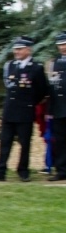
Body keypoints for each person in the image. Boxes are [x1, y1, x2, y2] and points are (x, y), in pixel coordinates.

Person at [0, 36, 49, 182]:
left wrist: (30, 102)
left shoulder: (36, 67)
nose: (16, 52)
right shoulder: (10, 65)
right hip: (9, 110)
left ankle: (23, 171)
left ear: (28, 50)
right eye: (15, 49)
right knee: (4, 142)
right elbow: (8, 86)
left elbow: (42, 90)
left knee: (25, 143)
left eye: (19, 49)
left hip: (25, 111)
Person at [46, 31, 66, 181]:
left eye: (65, 44)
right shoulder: (54, 63)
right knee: (59, 141)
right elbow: (52, 87)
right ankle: (62, 170)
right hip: (59, 107)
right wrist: (50, 109)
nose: (63, 47)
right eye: (60, 45)